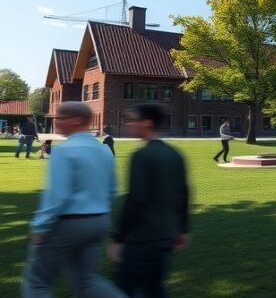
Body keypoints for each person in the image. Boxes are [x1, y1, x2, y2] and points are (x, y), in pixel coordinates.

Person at [21, 101, 122, 297]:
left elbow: (57, 196)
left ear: (76, 120)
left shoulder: (64, 151)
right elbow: (112, 190)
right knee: (87, 281)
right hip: (99, 221)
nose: (56, 123)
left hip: (69, 223)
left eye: (60, 118)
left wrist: (40, 226)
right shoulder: (104, 150)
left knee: (36, 283)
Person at [109, 103, 190, 298]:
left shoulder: (142, 155)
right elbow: (183, 193)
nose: (128, 124)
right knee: (155, 289)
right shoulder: (174, 154)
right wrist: (183, 229)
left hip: (141, 239)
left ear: (147, 123)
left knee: (123, 290)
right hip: (166, 235)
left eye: (131, 120)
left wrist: (119, 237)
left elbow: (136, 200)